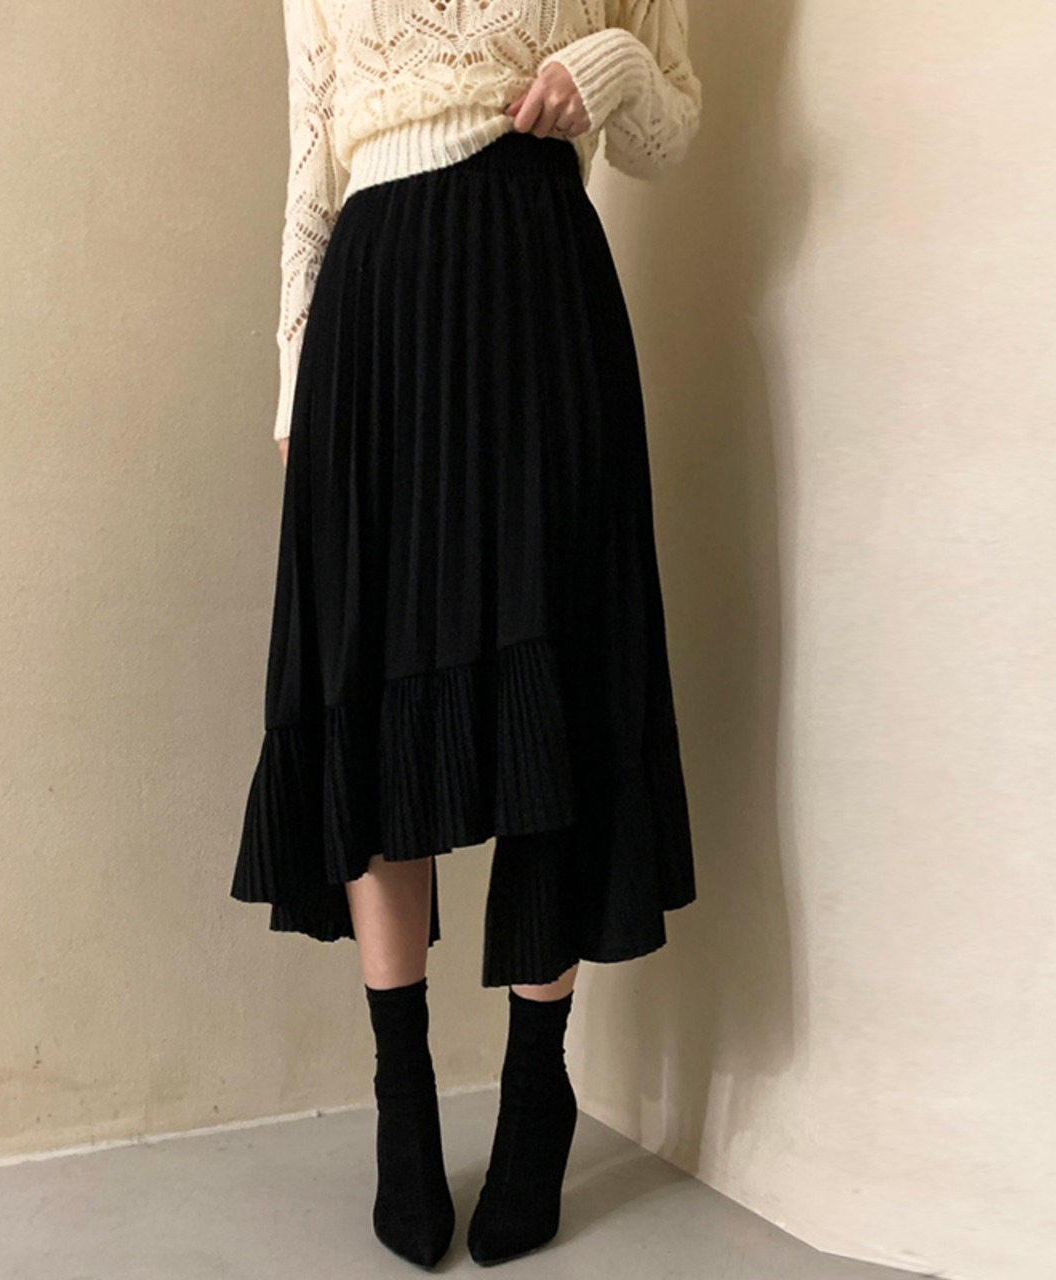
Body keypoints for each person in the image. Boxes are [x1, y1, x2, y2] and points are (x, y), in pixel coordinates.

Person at [231, 0, 702, 1267]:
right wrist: (294, 373)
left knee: (557, 676)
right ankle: (403, 1095)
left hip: (536, 285)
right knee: (371, 689)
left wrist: (608, 66)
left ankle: (537, 1084)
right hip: (372, 313)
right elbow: (310, 156)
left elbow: (668, 130)